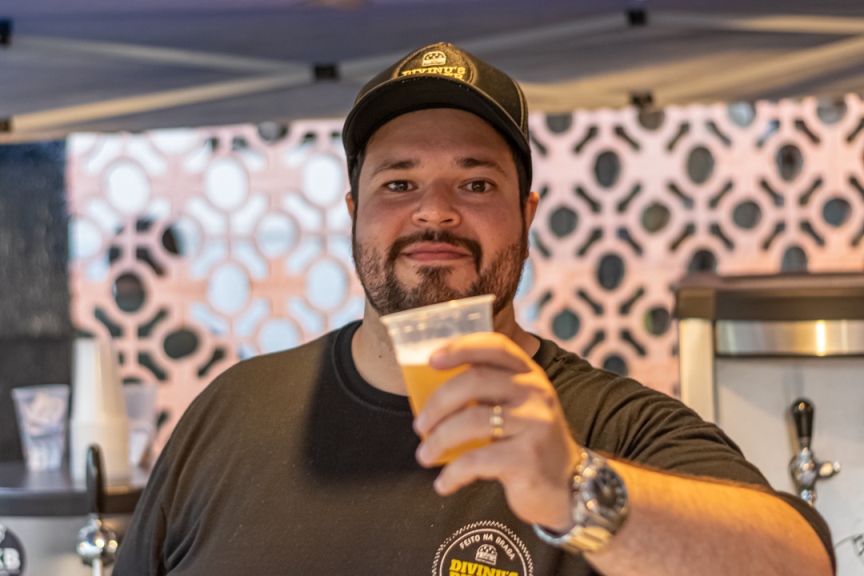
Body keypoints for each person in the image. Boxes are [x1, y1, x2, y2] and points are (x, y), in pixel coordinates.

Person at [114, 42, 834, 576]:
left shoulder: (609, 428)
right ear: (353, 213)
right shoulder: (232, 411)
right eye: (399, 183)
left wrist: (573, 488)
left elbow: (798, 562)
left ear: (527, 215)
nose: (435, 212)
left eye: (476, 184)